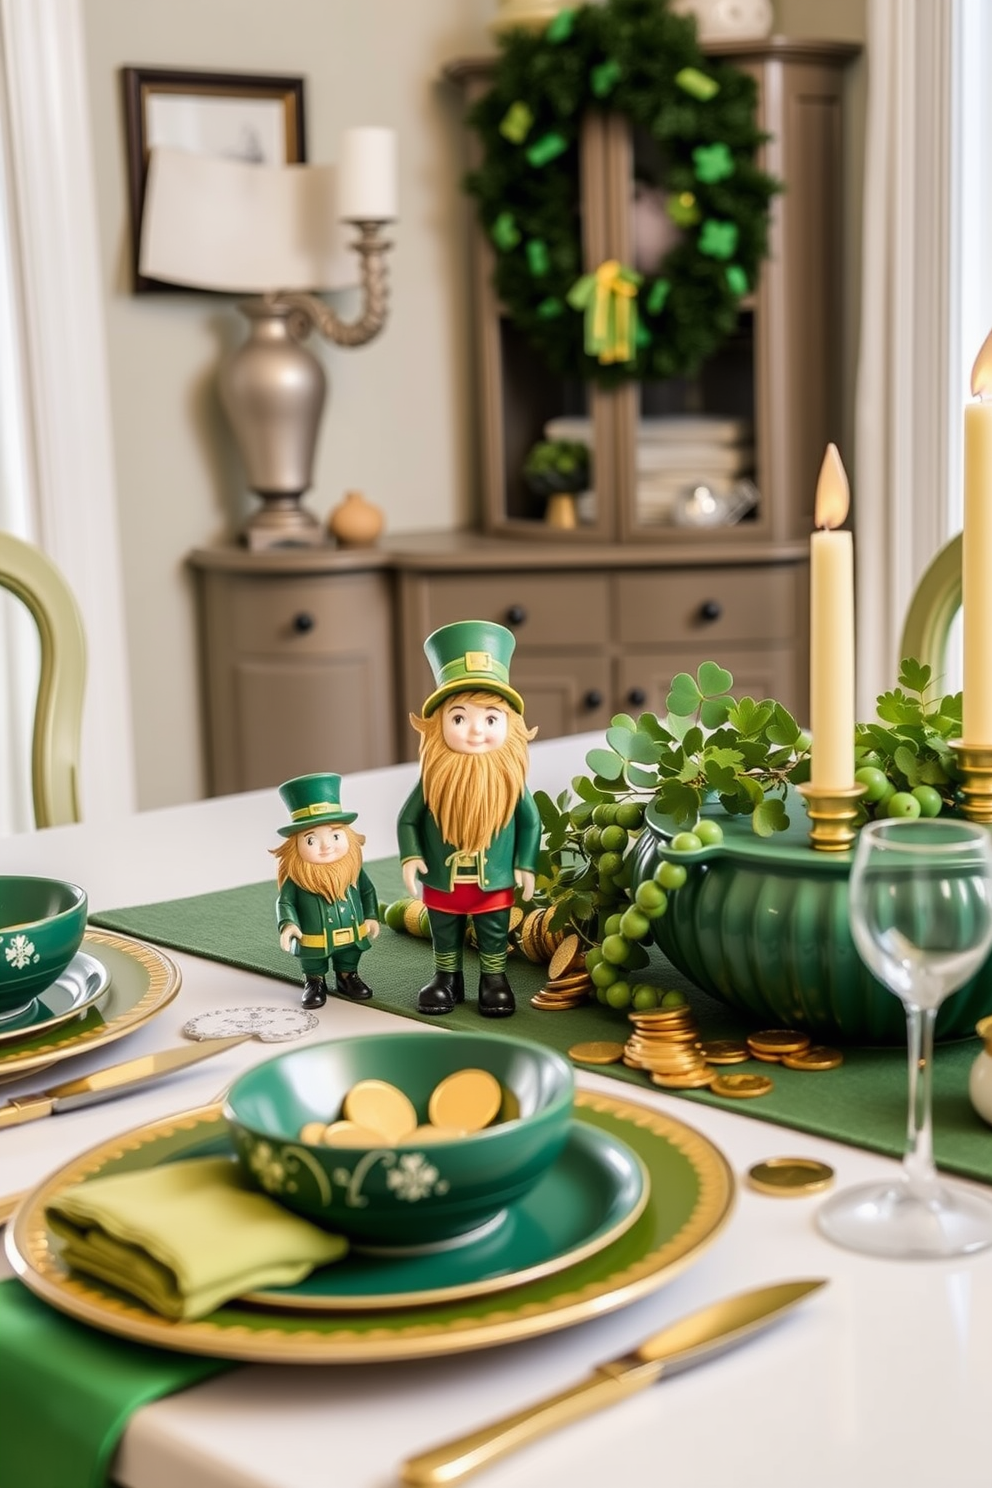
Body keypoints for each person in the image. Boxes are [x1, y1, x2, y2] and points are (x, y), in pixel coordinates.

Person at [397, 620, 540, 1017]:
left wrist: (525, 864)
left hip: (492, 877)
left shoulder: (511, 783)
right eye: (459, 718)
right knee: (444, 929)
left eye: (490, 719)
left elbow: (530, 822)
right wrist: (411, 857)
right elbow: (408, 821)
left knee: (494, 930)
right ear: (438, 724)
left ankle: (494, 980)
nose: (475, 730)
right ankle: (447, 978)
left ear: (509, 725)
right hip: (443, 878)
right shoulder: (433, 781)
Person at [272, 773, 380, 1010]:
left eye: (335, 835)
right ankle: (314, 982)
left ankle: (347, 976)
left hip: (352, 931)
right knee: (314, 960)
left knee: (350, 954)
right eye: (311, 840)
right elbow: (285, 902)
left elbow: (367, 892)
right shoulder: (298, 878)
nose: (326, 846)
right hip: (315, 937)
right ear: (295, 845)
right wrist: (288, 925)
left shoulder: (353, 870)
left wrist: (371, 916)